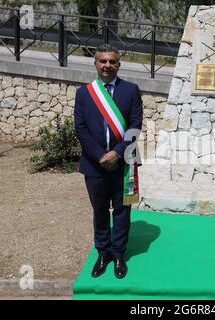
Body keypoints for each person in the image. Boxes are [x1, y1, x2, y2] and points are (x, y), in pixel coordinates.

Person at [74, 44, 143, 279]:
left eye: (112, 61)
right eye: (103, 61)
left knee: (122, 210)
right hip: (94, 164)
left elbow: (135, 125)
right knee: (100, 210)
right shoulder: (84, 93)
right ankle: (103, 253)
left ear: (118, 65)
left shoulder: (131, 90)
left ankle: (119, 254)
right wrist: (100, 156)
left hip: (124, 162)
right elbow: (80, 129)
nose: (107, 65)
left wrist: (116, 152)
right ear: (95, 64)